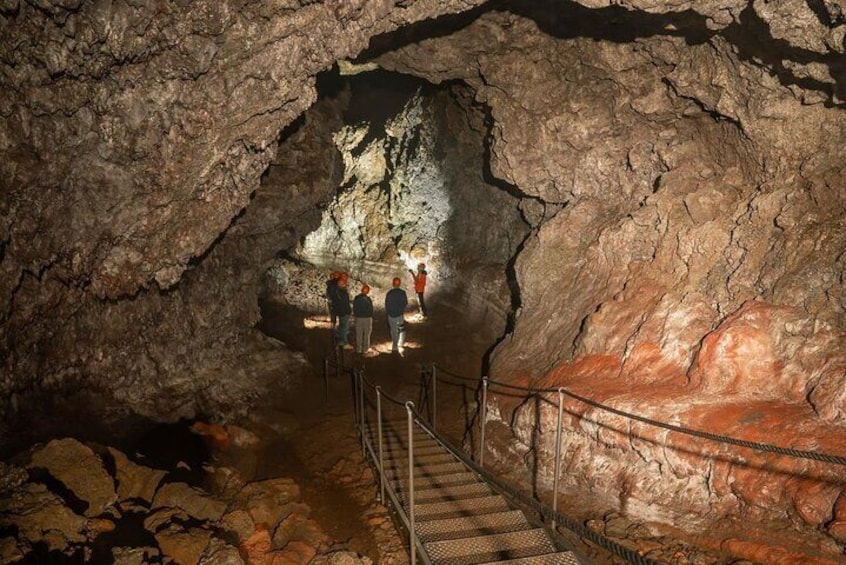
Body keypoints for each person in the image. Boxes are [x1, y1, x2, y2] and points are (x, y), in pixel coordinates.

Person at [385, 276, 408, 354]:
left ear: (393, 284)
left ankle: (395, 346)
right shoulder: (402, 293)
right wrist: (401, 310)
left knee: (394, 330)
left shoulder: (389, 293)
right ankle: (400, 343)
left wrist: (389, 312)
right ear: (399, 284)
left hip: (391, 315)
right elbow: (405, 303)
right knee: (401, 329)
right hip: (399, 314)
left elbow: (387, 304)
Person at [332, 273, 353, 349]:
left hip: (341, 311)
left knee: (342, 326)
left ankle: (341, 340)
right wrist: (348, 311)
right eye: (343, 283)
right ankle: (344, 342)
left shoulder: (338, 291)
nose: (345, 284)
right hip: (344, 312)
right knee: (344, 326)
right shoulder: (342, 292)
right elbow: (344, 303)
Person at [353, 284, 374, 354]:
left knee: (359, 334)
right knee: (366, 334)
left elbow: (354, 308)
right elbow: (371, 309)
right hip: (366, 318)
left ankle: (359, 349)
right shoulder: (367, 299)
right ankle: (365, 349)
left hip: (360, 318)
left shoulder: (357, 298)